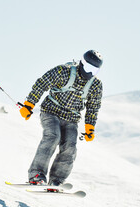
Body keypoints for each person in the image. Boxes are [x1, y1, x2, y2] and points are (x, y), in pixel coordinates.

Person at [19, 50, 103, 186]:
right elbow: (42, 83)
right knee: (53, 136)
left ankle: (57, 180)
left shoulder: (95, 85)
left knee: (70, 146)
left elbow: (93, 106)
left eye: (94, 71)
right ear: (82, 63)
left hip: (71, 119)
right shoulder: (64, 71)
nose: (90, 73)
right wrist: (29, 105)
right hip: (51, 111)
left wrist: (90, 128)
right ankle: (36, 174)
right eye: (88, 68)